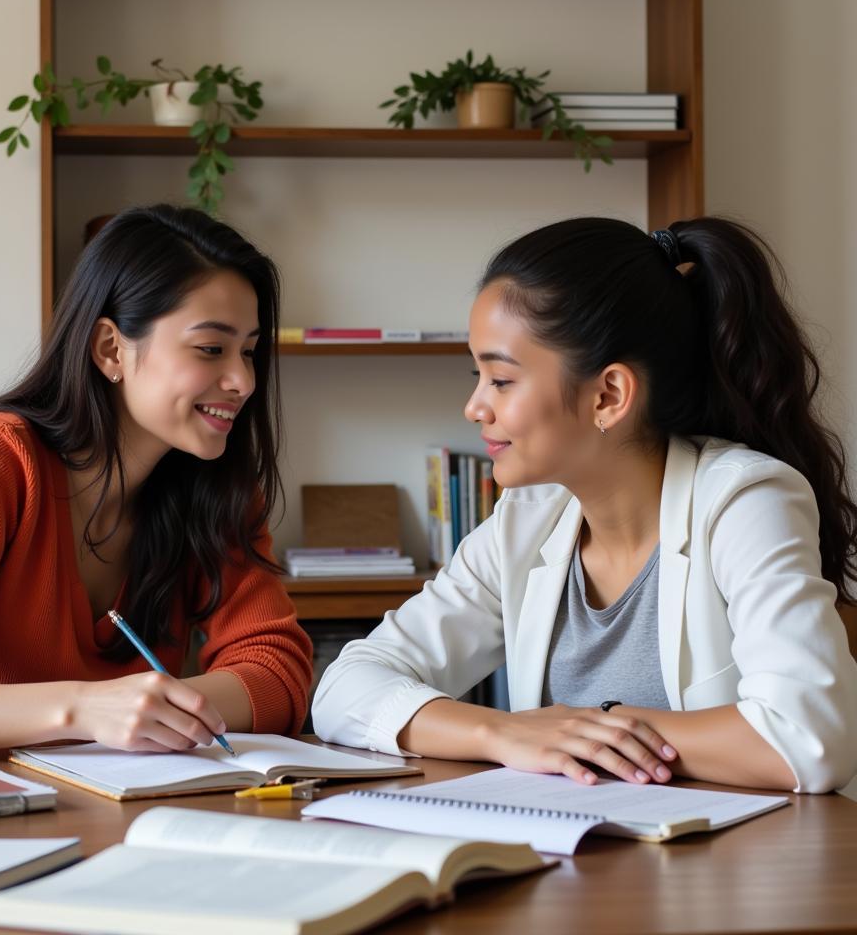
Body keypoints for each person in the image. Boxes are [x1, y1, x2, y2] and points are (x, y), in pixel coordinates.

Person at [313, 217, 857, 794]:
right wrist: (501, 734)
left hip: (731, 871)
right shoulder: (525, 522)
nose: (474, 406)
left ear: (609, 395)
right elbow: (345, 686)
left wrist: (593, 728)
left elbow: (811, 738)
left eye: (500, 380)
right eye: (479, 375)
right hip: (569, 859)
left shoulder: (744, 503)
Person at [0, 204, 312, 755]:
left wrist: (149, 710)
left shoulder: (216, 483)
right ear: (111, 348)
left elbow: (278, 673)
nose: (243, 381)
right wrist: (86, 709)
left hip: (127, 808)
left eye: (249, 352)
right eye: (211, 349)